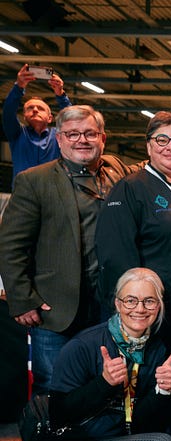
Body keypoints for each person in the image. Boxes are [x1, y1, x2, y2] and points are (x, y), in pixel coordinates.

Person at [95, 111, 171, 441]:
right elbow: (116, 255)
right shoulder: (131, 187)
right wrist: (136, 309)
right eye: (162, 139)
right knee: (161, 389)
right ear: (149, 145)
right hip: (156, 316)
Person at [0, 105, 135, 393]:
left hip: (107, 305)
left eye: (89, 133)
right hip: (55, 307)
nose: (82, 140)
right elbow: (11, 246)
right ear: (59, 139)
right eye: (73, 134)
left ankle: (98, 440)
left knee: (106, 383)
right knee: (53, 384)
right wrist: (22, 299)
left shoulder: (116, 172)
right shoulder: (35, 180)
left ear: (103, 139)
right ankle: (54, 440)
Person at [33, 267, 171, 441]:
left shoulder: (156, 350)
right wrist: (104, 383)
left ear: (158, 306)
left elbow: (138, 422)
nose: (140, 309)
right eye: (130, 300)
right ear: (117, 304)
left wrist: (161, 392)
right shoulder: (84, 345)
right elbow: (58, 414)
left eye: (149, 301)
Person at [2, 64, 72, 179]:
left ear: (50, 118)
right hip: (24, 194)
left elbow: (71, 118)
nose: (35, 110)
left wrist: (60, 94)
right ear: (24, 116)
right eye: (30, 108)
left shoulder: (58, 136)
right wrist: (19, 86)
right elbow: (8, 112)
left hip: (53, 193)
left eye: (40, 108)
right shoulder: (17, 134)